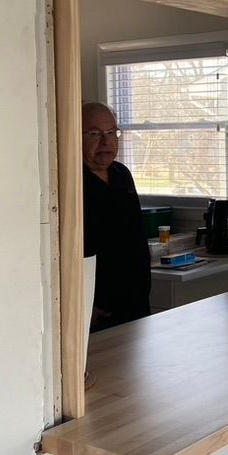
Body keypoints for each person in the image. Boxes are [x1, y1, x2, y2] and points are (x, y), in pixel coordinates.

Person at [81, 102, 152, 331]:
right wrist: (83, 304)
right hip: (97, 312)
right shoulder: (70, 182)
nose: (106, 141)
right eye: (95, 133)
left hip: (136, 305)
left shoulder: (122, 174)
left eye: (111, 132)